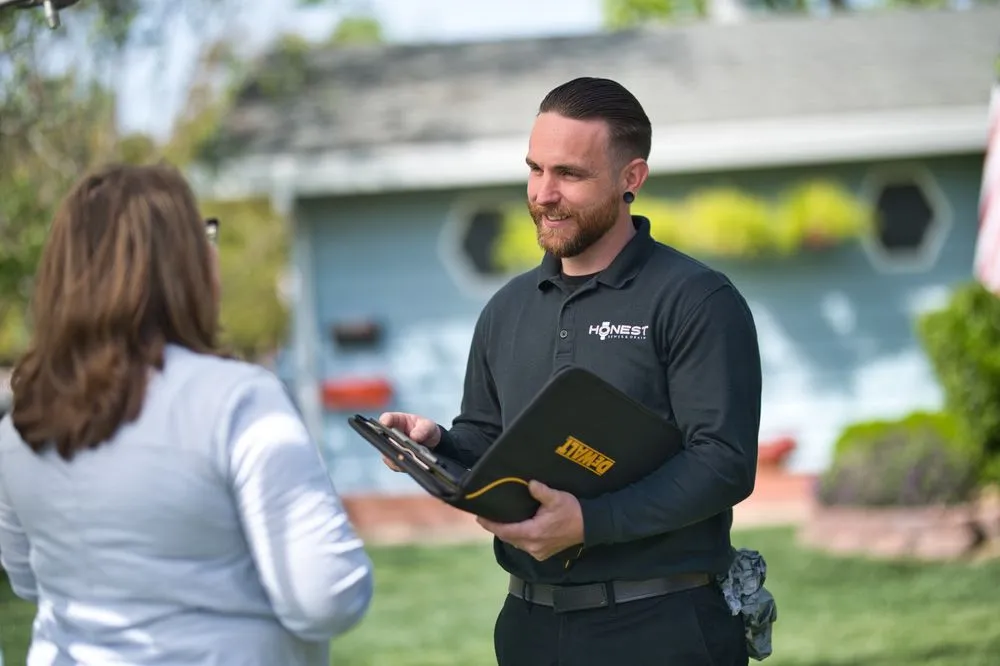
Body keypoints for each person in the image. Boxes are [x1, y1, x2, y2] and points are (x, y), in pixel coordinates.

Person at [380, 76, 762, 666]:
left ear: (631, 178)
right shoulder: (506, 309)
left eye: (570, 174)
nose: (543, 192)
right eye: (535, 169)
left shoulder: (695, 300)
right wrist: (439, 446)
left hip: (662, 628)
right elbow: (489, 439)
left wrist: (590, 521)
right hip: (528, 628)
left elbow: (723, 463)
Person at [0, 163, 374, 666]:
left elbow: (28, 579)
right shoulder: (238, 399)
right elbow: (329, 597)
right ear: (180, 266)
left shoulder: (24, 421)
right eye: (202, 236)